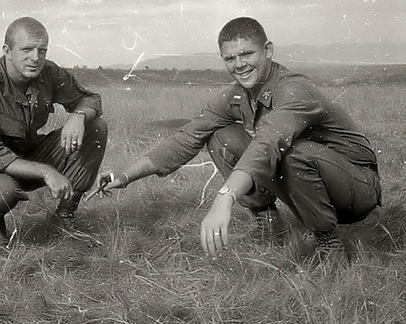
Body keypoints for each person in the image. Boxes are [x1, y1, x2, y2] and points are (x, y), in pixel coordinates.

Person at [87, 17, 381, 260]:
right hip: (315, 185)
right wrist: (124, 176)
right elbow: (186, 138)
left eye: (247, 54)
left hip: (355, 189)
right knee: (220, 136)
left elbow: (266, 146)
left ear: (268, 50)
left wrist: (224, 199)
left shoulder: (293, 90)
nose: (239, 64)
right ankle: (267, 222)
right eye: (230, 58)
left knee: (291, 152)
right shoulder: (237, 95)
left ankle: (327, 243)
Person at [0, 17, 107, 245]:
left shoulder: (48, 72)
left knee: (96, 127)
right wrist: (47, 172)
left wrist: (78, 116)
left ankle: (64, 216)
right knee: (0, 190)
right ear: (7, 51)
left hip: (24, 156)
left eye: (42, 50)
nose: (36, 58)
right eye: (27, 50)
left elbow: (89, 99)